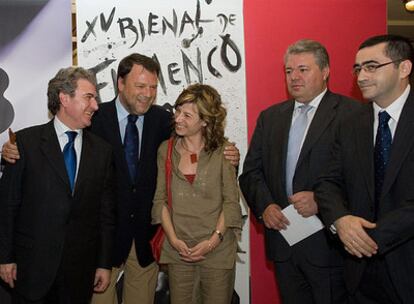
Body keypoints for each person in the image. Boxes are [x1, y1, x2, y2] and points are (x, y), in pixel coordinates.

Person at [1, 53, 240, 304]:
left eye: (152, 87)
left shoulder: (163, 120)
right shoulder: (93, 118)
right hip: (101, 245)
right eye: (140, 86)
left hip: (144, 241)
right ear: (121, 83)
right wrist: (7, 154)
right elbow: (48, 155)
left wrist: (231, 154)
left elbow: (199, 141)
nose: (147, 94)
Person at [239, 39, 359, 304]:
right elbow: (251, 173)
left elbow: (363, 179)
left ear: (325, 71)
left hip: (329, 246)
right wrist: (265, 206)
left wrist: (321, 200)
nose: (294, 77)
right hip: (284, 243)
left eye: (303, 70)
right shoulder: (270, 118)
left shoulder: (352, 114)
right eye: (288, 71)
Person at [0, 67, 116, 304]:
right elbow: (8, 206)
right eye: (89, 97)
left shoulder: (102, 152)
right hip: (31, 270)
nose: (95, 105)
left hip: (79, 274)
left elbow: (105, 214)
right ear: (64, 98)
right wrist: (5, 257)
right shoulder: (25, 143)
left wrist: (104, 263)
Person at [315, 35, 414, 304]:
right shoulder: (350, 123)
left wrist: (368, 237)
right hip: (358, 276)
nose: (361, 76)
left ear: (404, 68)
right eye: (358, 68)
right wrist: (341, 221)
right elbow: (326, 182)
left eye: (371, 66)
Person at [151, 84, 242, 304]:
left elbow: (231, 203)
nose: (178, 118)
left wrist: (212, 242)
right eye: (178, 111)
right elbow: (159, 200)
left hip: (217, 250)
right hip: (178, 251)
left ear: (205, 121)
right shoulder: (166, 149)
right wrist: (173, 239)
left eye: (187, 115)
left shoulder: (224, 151)